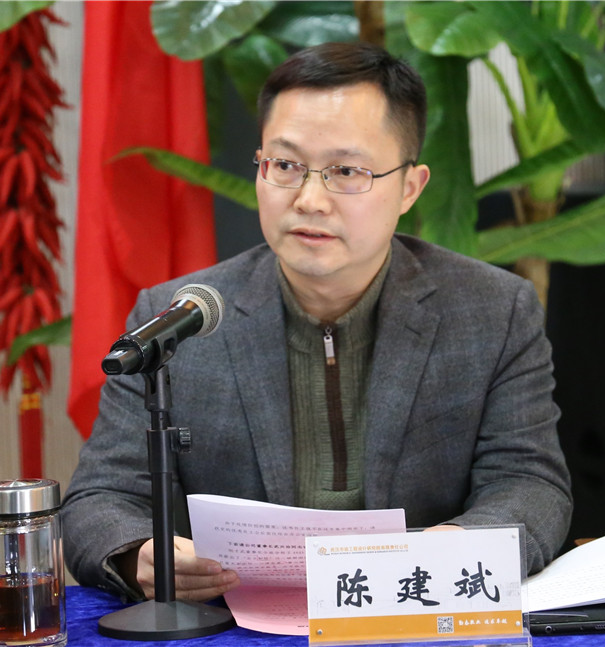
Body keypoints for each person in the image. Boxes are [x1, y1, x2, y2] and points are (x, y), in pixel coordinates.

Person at [62, 42, 572, 603]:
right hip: (233, 622)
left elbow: (530, 484)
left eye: (346, 171)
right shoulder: (178, 319)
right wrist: (138, 552)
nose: (309, 199)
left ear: (409, 188)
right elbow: (100, 499)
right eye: (285, 166)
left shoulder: (494, 311)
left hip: (418, 612)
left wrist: (458, 547)